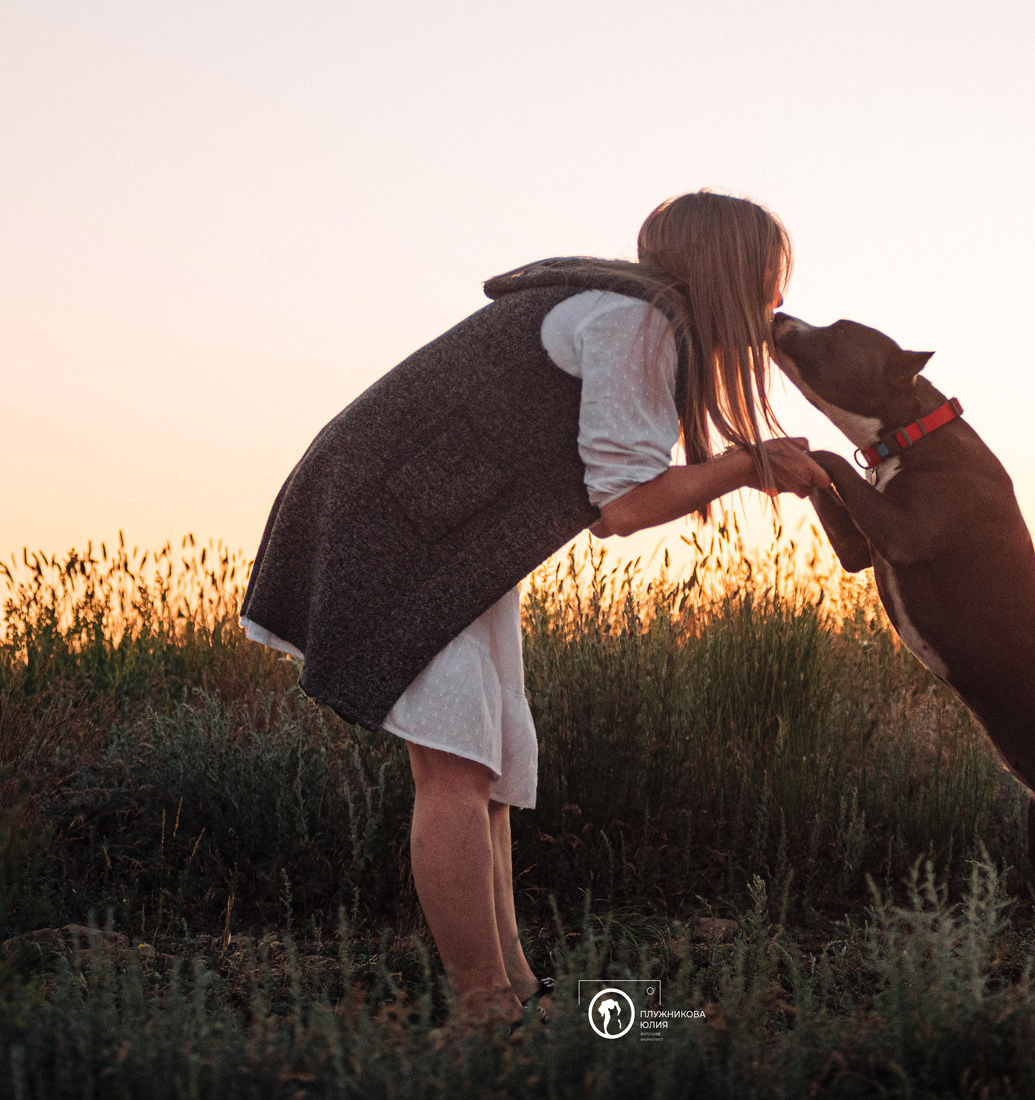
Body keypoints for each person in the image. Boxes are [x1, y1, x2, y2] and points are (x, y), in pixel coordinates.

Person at [240, 190, 828, 1029]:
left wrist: (745, 463)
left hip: (451, 535)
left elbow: (608, 497)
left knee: (487, 764)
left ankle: (516, 991)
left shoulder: (625, 311)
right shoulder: (637, 323)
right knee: (456, 769)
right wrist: (746, 464)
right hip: (404, 532)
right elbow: (624, 506)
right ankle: (483, 1007)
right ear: (730, 271)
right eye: (769, 276)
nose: (776, 299)